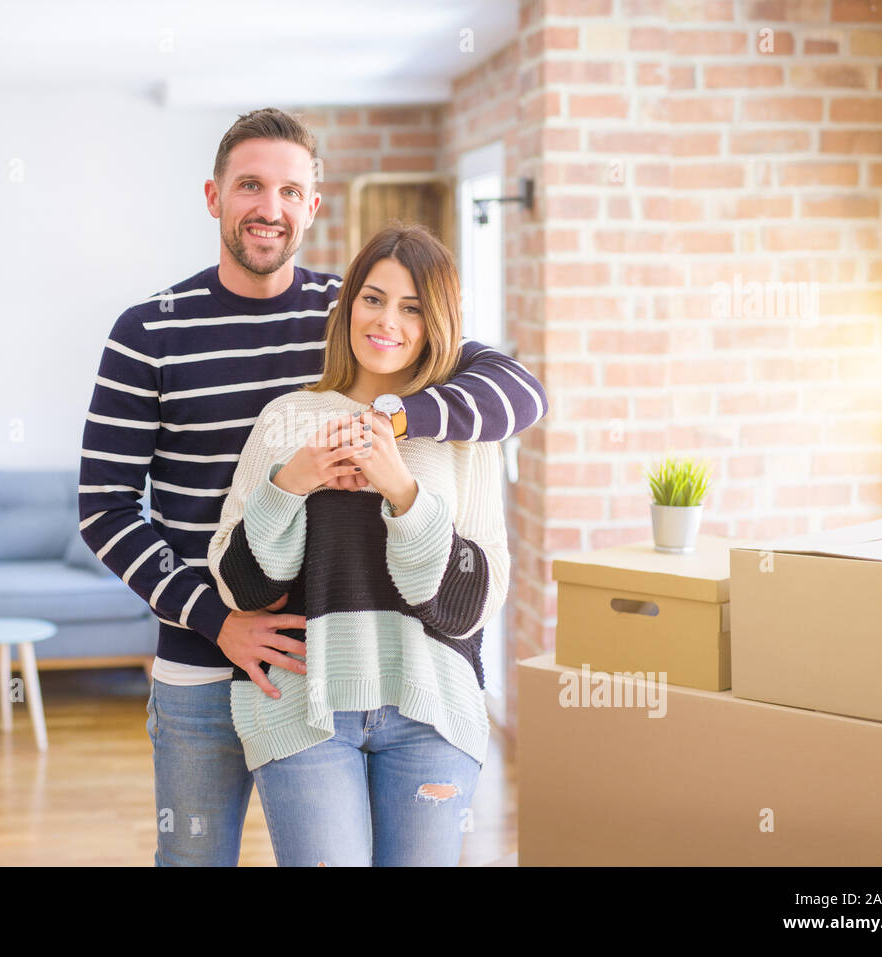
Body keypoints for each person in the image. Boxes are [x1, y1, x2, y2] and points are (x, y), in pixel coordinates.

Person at [78, 108, 548, 867]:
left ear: (313, 206)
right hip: (202, 660)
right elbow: (104, 509)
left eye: (291, 191)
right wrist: (216, 621)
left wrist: (396, 421)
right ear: (213, 195)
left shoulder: (359, 310)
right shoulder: (148, 333)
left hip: (331, 658)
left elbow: (516, 391)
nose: (270, 207)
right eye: (250, 186)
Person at [206, 223, 507, 866]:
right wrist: (294, 481)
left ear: (438, 323)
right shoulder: (286, 418)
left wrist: (402, 490)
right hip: (303, 707)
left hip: (432, 711)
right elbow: (241, 587)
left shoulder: (461, 434)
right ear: (348, 306)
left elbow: (470, 605)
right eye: (373, 298)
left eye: (412, 308)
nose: (386, 321)